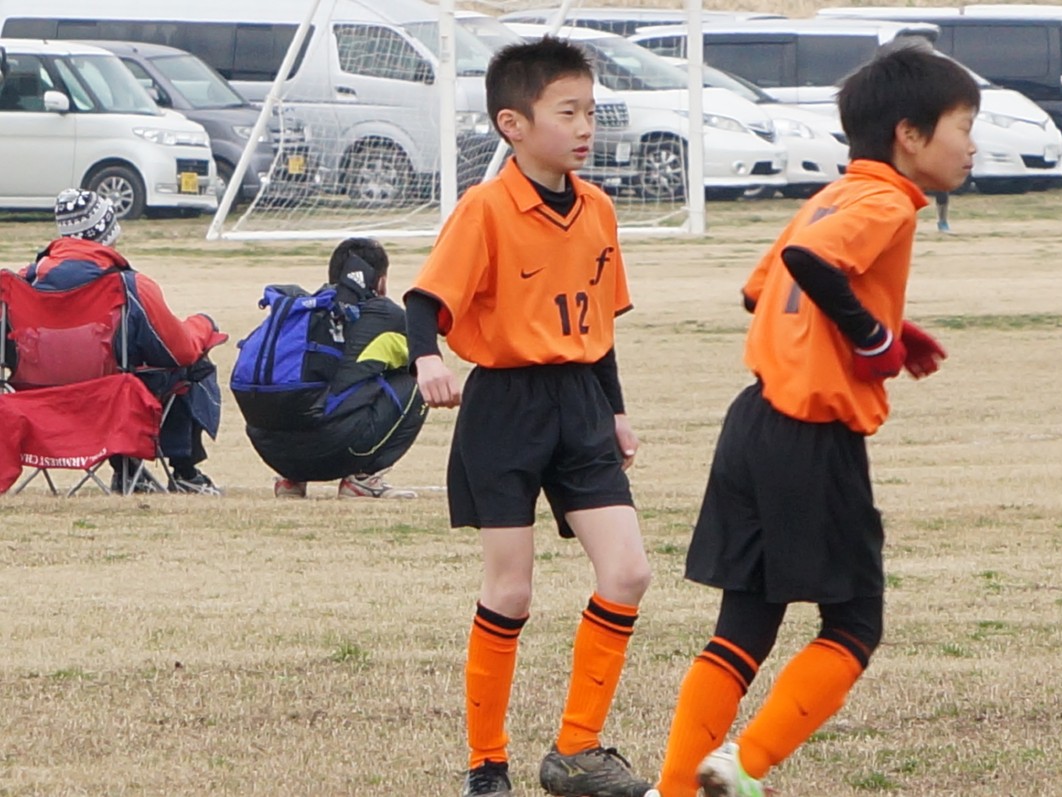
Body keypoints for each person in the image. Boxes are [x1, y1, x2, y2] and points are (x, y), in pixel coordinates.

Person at [644, 44, 979, 797]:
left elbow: (760, 290)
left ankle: (674, 788)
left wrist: (887, 322)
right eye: (963, 125)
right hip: (812, 431)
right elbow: (809, 264)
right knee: (854, 624)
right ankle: (742, 765)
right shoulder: (886, 201)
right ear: (910, 135)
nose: (972, 144)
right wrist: (870, 338)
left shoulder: (834, 195)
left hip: (754, 421)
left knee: (744, 627)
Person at [403, 37, 653, 797]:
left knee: (629, 571)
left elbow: (597, 323)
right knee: (510, 590)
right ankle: (487, 763)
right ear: (512, 123)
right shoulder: (484, 208)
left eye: (591, 112)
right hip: (505, 408)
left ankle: (577, 750)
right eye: (567, 112)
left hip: (581, 405)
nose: (585, 127)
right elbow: (423, 301)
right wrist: (427, 359)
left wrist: (614, 410)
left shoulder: (599, 208)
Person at [23, 188, 226, 494]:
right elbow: (180, 351)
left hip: (40, 400)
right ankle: (184, 471)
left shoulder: (23, 284)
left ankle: (129, 469)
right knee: (191, 365)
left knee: (122, 377)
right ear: (106, 235)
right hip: (111, 400)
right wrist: (203, 326)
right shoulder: (129, 286)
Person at [243, 237, 427, 499]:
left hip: (273, 451)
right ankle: (363, 478)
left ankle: (291, 480)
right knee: (421, 379)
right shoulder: (385, 315)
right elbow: (420, 359)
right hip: (335, 450)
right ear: (381, 282)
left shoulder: (301, 311)